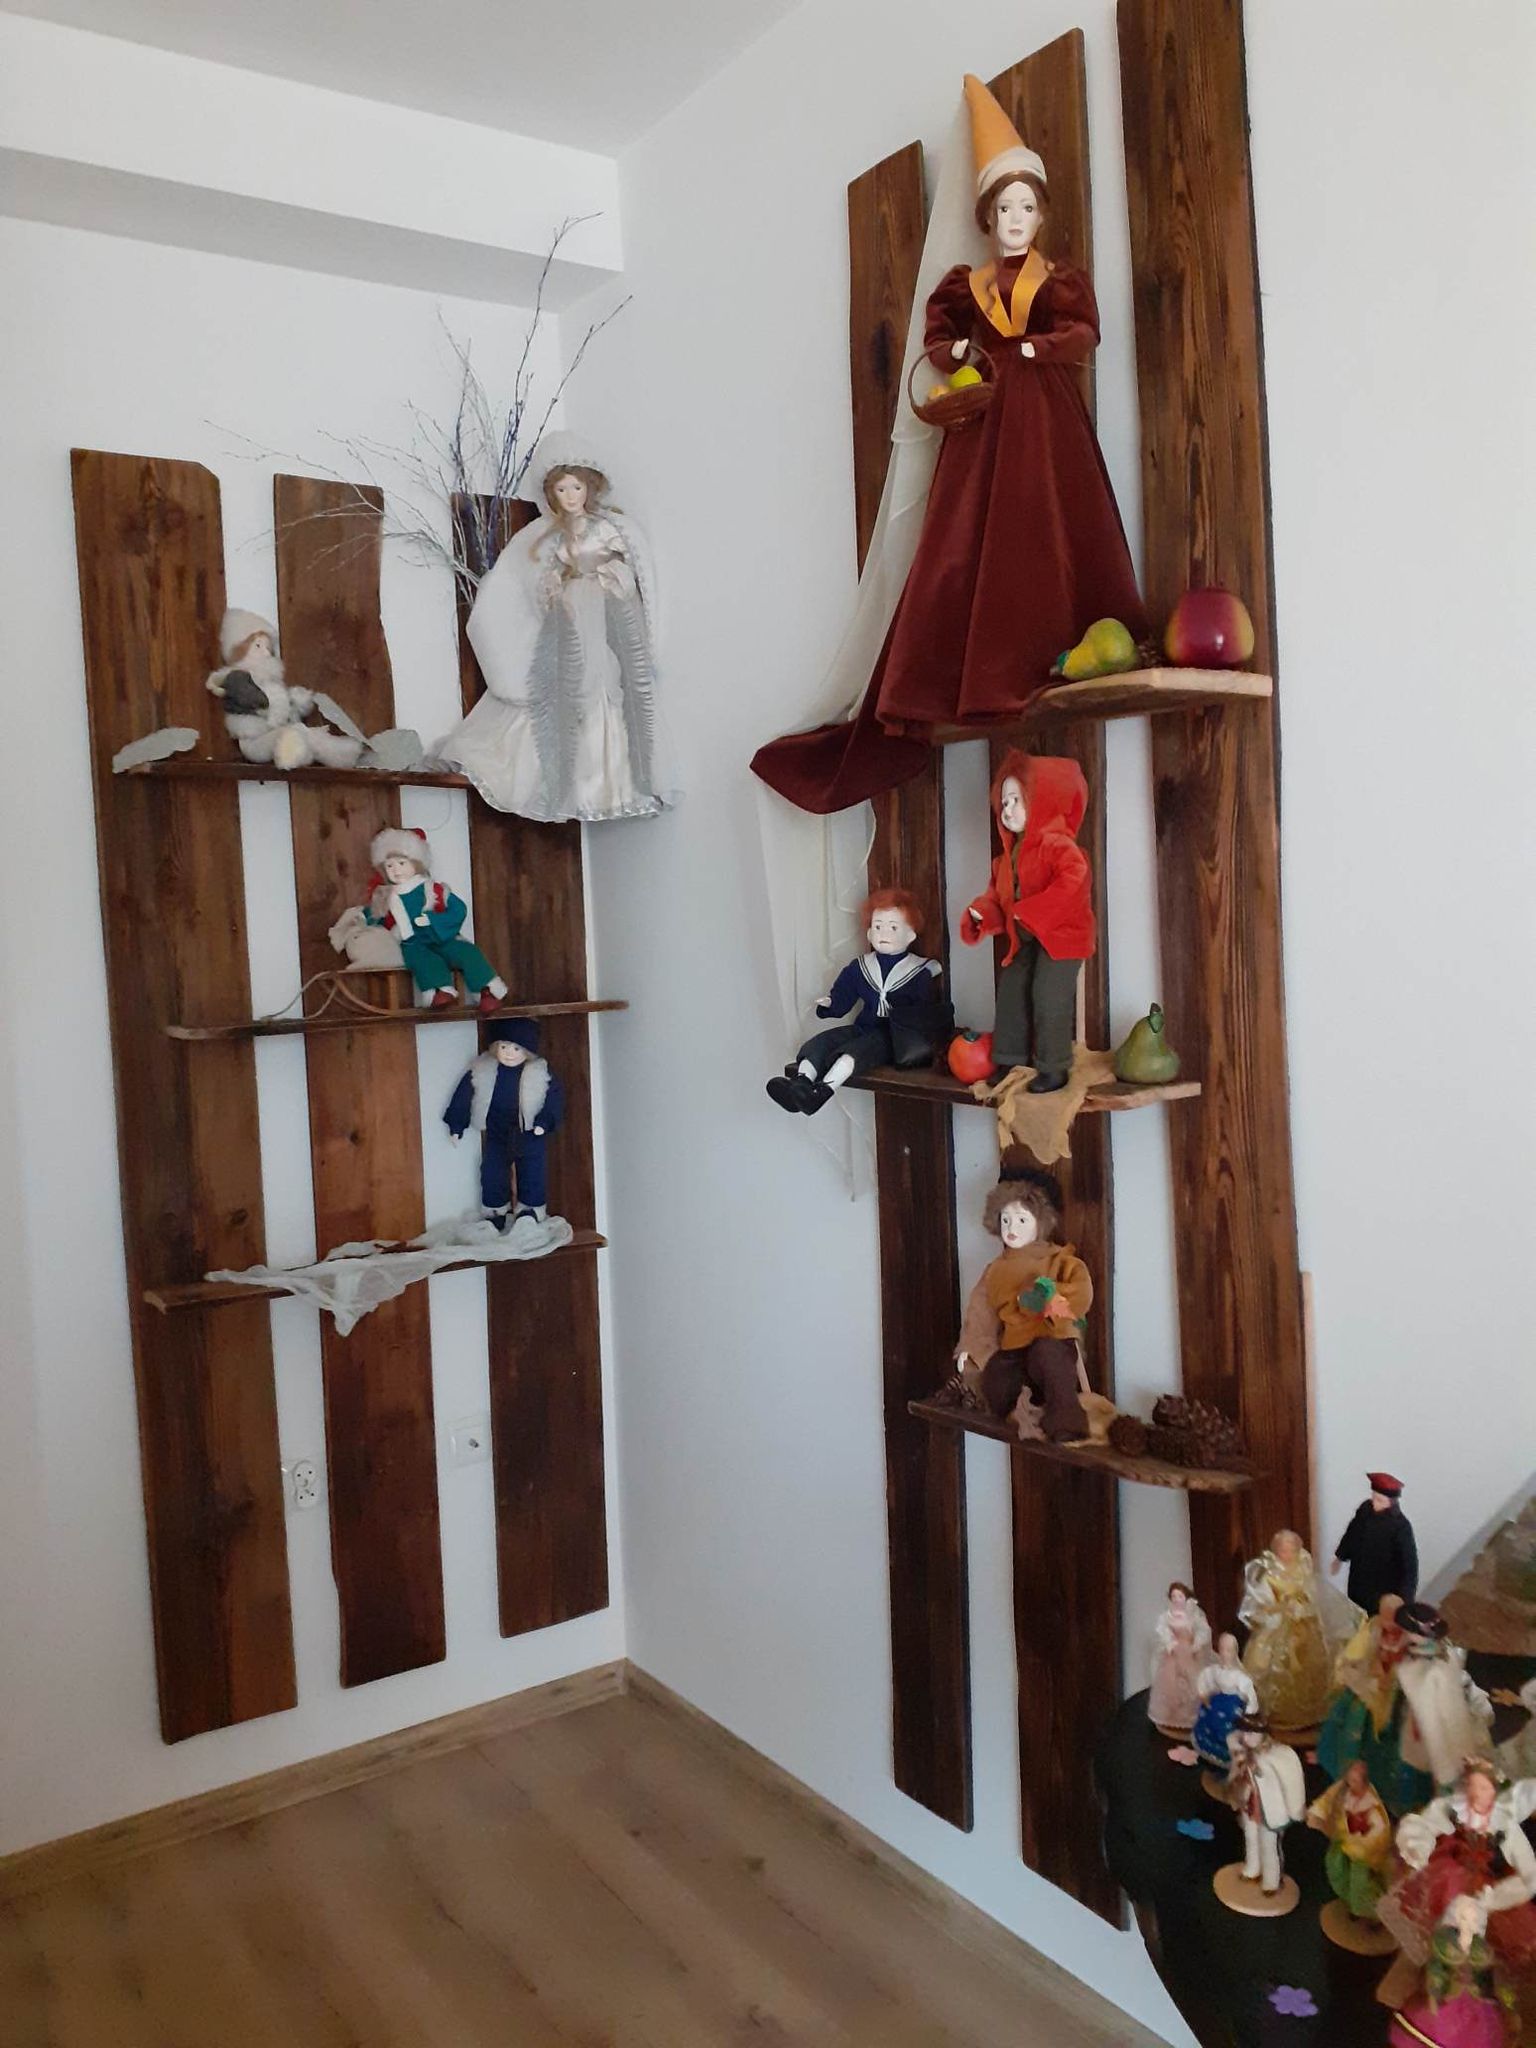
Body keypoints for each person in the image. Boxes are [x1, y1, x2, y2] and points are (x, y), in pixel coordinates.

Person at [751, 74, 1146, 818]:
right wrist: (959, 349)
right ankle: (974, 666)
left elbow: (1082, 331)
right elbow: (937, 340)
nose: (1015, 219)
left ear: (1041, 215)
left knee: (1047, 515)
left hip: (1045, 416)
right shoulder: (968, 284)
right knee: (969, 531)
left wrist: (1034, 350)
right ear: (987, 217)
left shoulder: (1056, 279)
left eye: (1026, 207)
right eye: (1004, 208)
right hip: (984, 417)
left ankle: (1060, 646)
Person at [441, 433, 672, 824]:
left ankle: (608, 778)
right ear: (550, 493)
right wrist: (552, 590)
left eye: (577, 487)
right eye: (562, 489)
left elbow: (630, 571)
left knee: (603, 687)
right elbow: (527, 578)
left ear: (590, 487)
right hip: (567, 616)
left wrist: (613, 579)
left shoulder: (610, 527)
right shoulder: (541, 535)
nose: (570, 496)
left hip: (601, 614)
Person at [960, 751, 1094, 1093]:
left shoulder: (1058, 846)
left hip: (1062, 937)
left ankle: (1053, 1066)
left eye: (1016, 800)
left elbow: (1074, 882)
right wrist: (982, 912)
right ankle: (1010, 1060)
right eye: (1004, 803)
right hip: (1025, 936)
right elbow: (997, 896)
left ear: (1044, 800)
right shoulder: (1006, 859)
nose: (1007, 810)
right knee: (1011, 991)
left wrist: (1031, 911)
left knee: (1048, 995)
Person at [766, 889, 945, 1114]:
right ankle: (800, 1085)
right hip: (862, 1027)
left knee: (851, 1054)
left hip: (891, 1037)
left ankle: (820, 1094)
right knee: (822, 1042)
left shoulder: (918, 972)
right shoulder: (860, 967)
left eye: (893, 927)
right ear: (869, 933)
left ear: (910, 935)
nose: (883, 933)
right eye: (877, 927)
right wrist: (831, 1003)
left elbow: (922, 1013)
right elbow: (845, 994)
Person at [948, 1168, 1092, 1443]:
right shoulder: (995, 1270)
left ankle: (1066, 1420)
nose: (1012, 1229)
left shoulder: (1060, 1260)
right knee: (997, 1378)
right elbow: (981, 1311)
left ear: (1042, 1222)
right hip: (1013, 1349)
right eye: (1006, 1220)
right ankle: (1020, 1411)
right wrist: (972, 1346)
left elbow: (1081, 1292)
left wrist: (1047, 1298)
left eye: (1022, 1220)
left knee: (1050, 1359)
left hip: (1052, 1338)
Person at [1379, 1758, 1536, 1979]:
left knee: (1481, 1938)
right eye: (1472, 1786)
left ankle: (1467, 1975)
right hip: (1448, 1874)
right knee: (1437, 1918)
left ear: (1494, 1792)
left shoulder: (1504, 1825)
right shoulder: (1455, 1808)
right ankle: (1436, 1964)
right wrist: (1419, 1846)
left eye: (1483, 1788)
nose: (1476, 1794)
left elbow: (1529, 1871)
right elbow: (1424, 1824)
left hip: (1485, 1887)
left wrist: (1496, 1897)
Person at [361, 828, 508, 1011]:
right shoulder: (384, 896)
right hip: (412, 942)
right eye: (389, 866)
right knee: (422, 961)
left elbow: (458, 909)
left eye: (401, 863)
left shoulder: (432, 889)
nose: (396, 870)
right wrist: (363, 921)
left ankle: (487, 991)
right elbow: (374, 918)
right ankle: (439, 991)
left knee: (467, 953)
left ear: (416, 863)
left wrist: (433, 920)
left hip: (441, 937)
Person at [444, 1018, 564, 1241]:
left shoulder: (539, 1072)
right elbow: (463, 1096)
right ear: (495, 1047)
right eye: (504, 1046)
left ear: (527, 1051)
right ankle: (495, 1211)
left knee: (533, 1171)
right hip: (497, 1132)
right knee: (492, 1172)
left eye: (517, 1048)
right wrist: (456, 1124)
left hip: (529, 1132)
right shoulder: (483, 1070)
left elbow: (554, 1099)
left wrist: (544, 1122)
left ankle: (530, 1210)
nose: (509, 1053)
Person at [1239, 1528, 1362, 1733]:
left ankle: (1308, 1712)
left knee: (1311, 1662)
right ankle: (1273, 1711)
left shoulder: (1303, 1569)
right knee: (1267, 1661)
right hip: (1277, 1625)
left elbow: (1312, 1594)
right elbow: (1262, 1601)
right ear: (1276, 1551)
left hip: (1302, 1624)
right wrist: (1279, 1609)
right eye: (1283, 1550)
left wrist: (1302, 1606)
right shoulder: (1270, 1574)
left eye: (1291, 1550)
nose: (1287, 1555)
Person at [1223, 1716, 1307, 1899]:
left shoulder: (1275, 1756)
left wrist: (1295, 1809)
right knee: (1250, 1836)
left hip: (1270, 1808)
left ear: (1263, 1735)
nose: (1247, 1737)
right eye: (1245, 1733)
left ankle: (1271, 1881)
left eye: (1252, 1733)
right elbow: (1236, 1774)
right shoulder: (1243, 1754)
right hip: (1249, 1803)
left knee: (1268, 1844)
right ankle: (1253, 1868)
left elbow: (1289, 1782)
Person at [1307, 1759, 1395, 1923]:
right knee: (1337, 1868)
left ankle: (1370, 1913)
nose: (1350, 1782)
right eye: (1349, 1778)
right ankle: (1349, 1901)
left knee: (1360, 1883)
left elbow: (1378, 1832)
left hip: (1363, 1853)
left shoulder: (1371, 1806)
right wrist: (1317, 1814)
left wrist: (1361, 1838)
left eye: (1354, 1780)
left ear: (1364, 1782)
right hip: (1343, 1843)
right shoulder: (1343, 1791)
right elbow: (1328, 1800)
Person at [1332, 1471, 1419, 1616]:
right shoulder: (1365, 1511)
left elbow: (1409, 1565)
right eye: (1373, 1497)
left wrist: (1405, 1599)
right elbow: (1352, 1533)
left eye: (1380, 1500)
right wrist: (1340, 1556)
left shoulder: (1400, 1526)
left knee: (1377, 1617)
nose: (1374, 1503)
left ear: (1391, 1502)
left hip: (1383, 1585)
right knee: (1356, 1612)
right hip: (1359, 1577)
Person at [1148, 1583, 1213, 1735]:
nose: (1177, 1599)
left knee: (1192, 1680)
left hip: (1189, 1652)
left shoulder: (1193, 1614)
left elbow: (1203, 1629)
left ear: (1186, 1597)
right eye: (1174, 1596)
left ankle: (1191, 1714)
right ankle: (1171, 1714)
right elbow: (1162, 1629)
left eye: (1180, 1596)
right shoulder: (1167, 1615)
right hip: (1173, 1654)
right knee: (1170, 1683)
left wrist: (1197, 1643)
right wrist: (1169, 1641)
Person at [1193, 1633, 1261, 1771]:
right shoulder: (1216, 1670)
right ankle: (1210, 1747)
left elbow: (1250, 1693)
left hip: (1233, 1706)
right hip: (1218, 1700)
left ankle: (1229, 1754)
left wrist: (1250, 1712)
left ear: (1235, 1652)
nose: (1224, 1654)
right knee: (1206, 1713)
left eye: (1228, 1650)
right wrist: (1204, 1693)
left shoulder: (1239, 1676)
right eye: (1222, 1649)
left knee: (1227, 1723)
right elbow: (1206, 1677)